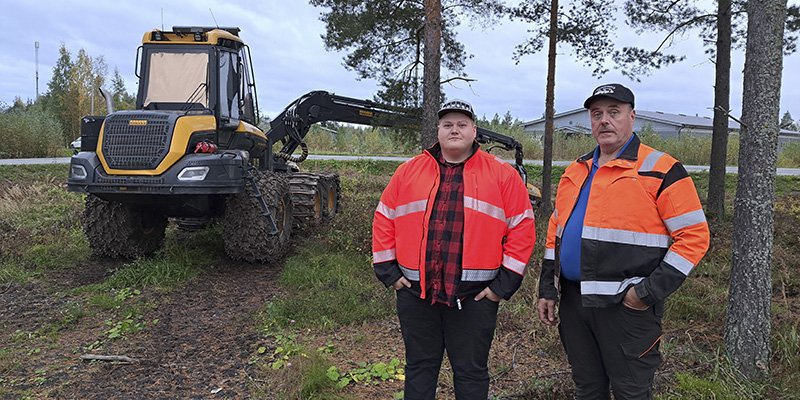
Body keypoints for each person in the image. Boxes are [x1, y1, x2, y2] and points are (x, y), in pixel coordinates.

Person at [536, 83, 710, 399]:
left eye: (614, 112)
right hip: (575, 301)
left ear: (632, 116)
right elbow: (556, 231)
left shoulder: (661, 169)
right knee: (587, 388)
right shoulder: (576, 170)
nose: (604, 120)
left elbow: (694, 236)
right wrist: (548, 288)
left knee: (631, 391)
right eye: (597, 114)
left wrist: (645, 294)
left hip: (625, 306)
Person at [372, 99, 535, 400]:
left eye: (462, 124)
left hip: (474, 299)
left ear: (474, 131)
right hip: (417, 295)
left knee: (471, 373)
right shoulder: (408, 171)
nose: (454, 130)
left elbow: (522, 228)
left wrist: (502, 286)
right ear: (438, 130)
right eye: (448, 124)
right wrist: (388, 272)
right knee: (419, 369)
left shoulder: (502, 175)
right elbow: (384, 217)